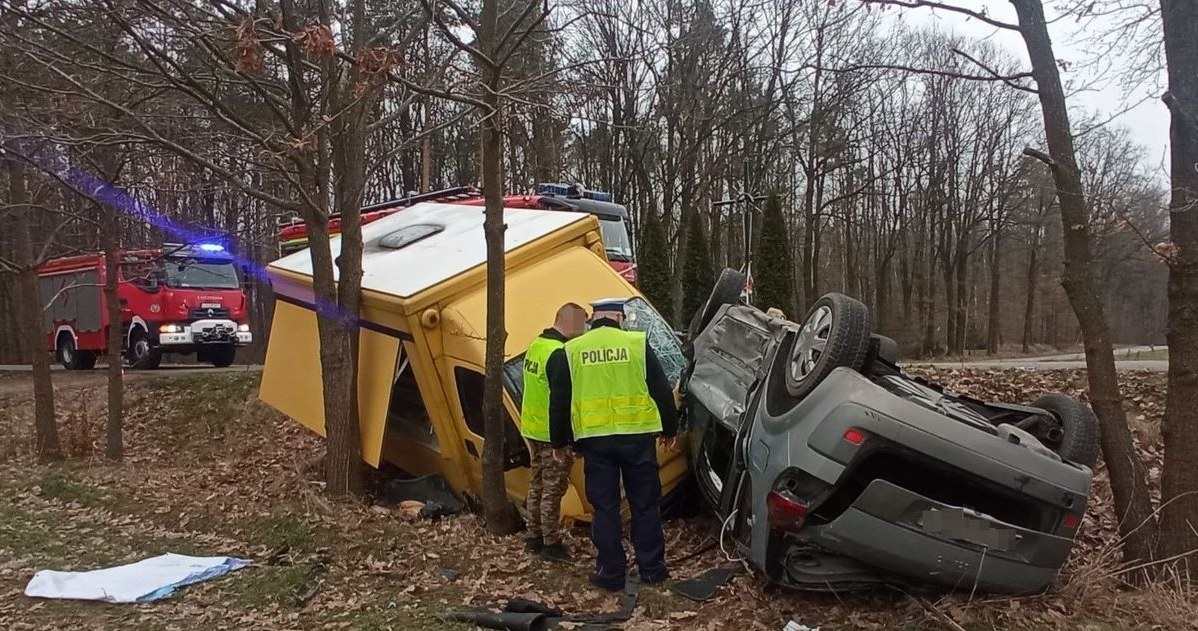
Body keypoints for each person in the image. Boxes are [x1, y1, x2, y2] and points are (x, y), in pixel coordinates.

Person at [548, 298, 679, 592]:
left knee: (605, 507)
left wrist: (560, 442)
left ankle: (610, 572)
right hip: (637, 438)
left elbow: (558, 402)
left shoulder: (571, 350)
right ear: (618, 317)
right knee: (645, 504)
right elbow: (660, 389)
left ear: (595, 317)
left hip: (595, 442)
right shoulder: (636, 343)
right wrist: (670, 428)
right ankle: (652, 569)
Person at [521, 302, 589, 562]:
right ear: (570, 323)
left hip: (532, 429)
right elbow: (560, 402)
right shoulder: (559, 354)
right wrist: (563, 442)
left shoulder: (537, 345)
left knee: (537, 483)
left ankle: (534, 536)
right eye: (581, 324)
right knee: (553, 489)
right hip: (551, 434)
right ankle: (551, 543)